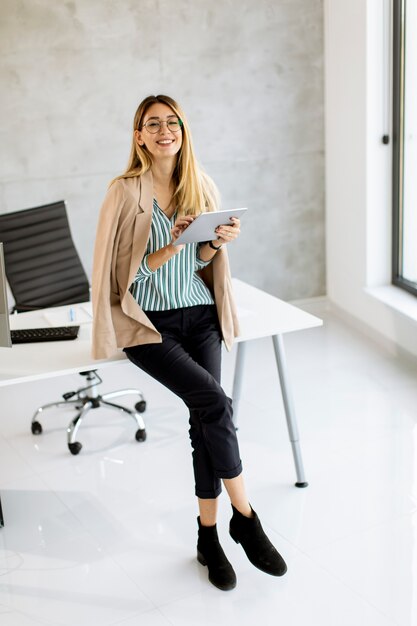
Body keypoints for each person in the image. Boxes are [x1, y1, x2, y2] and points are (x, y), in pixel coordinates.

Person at [91, 94, 287, 591]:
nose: (164, 131)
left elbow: (200, 263)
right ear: (139, 135)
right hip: (150, 325)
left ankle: (208, 537)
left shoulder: (200, 185)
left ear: (183, 130)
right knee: (214, 401)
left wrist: (215, 241)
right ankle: (246, 518)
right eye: (152, 124)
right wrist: (173, 243)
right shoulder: (124, 191)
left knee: (205, 419)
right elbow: (122, 276)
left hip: (199, 316)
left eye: (172, 122)